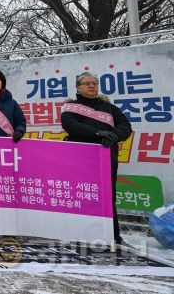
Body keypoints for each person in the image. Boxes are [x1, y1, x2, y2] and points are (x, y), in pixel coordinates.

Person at [61, 72, 132, 245]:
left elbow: (126, 126)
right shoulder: (70, 107)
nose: (92, 86)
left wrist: (114, 135)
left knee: (108, 199)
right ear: (78, 87)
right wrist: (98, 133)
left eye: (95, 83)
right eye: (87, 83)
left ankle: (114, 237)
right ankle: (79, 235)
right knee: (81, 197)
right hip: (80, 160)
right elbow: (71, 126)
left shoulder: (110, 108)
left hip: (106, 159)